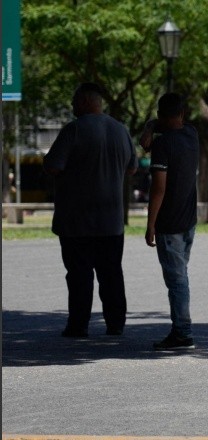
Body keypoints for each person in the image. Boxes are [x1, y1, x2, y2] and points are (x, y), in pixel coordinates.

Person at [43, 82, 138, 338]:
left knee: (79, 275)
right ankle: (116, 323)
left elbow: (53, 165)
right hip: (112, 220)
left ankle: (78, 325)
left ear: (85, 101)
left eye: (75, 101)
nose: (72, 106)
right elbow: (132, 167)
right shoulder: (121, 130)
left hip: (77, 220)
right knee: (112, 274)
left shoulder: (73, 130)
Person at [140, 93, 200, 351]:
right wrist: (154, 127)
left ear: (161, 115)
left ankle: (182, 332)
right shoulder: (192, 135)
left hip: (170, 222)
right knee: (181, 275)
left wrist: (150, 223)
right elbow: (146, 144)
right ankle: (181, 330)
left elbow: (158, 188)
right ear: (183, 114)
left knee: (177, 280)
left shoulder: (164, 145)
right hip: (189, 220)